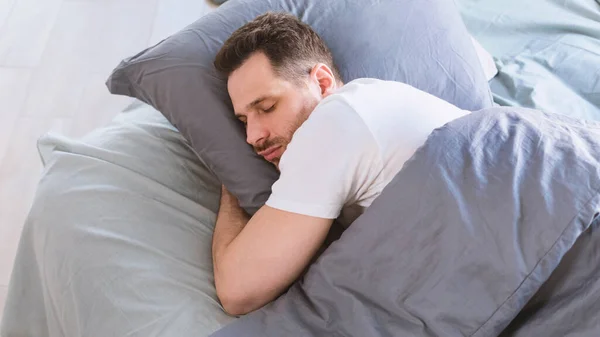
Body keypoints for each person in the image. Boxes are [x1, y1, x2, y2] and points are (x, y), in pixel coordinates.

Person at [211, 12, 469, 316]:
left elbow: (237, 292)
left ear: (321, 82)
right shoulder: (380, 97)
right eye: (243, 121)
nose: (253, 137)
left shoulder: (333, 122)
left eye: (267, 107)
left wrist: (229, 186)